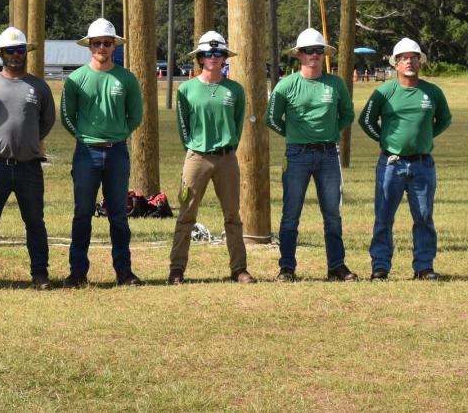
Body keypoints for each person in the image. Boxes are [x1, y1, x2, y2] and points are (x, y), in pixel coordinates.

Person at [0, 27, 56, 291]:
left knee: (35, 223)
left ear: (25, 52)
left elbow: (47, 120)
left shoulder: (39, 86)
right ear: (1, 54)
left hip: (30, 167)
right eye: (10, 51)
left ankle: (40, 274)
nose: (16, 55)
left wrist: (29, 141)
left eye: (19, 50)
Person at [266, 28, 358, 282]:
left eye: (318, 51)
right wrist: (295, 134)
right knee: (291, 213)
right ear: (299, 55)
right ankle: (286, 268)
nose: (314, 56)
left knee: (332, 215)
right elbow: (271, 119)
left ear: (324, 54)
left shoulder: (335, 83)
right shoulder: (286, 85)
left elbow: (348, 115)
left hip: (328, 155)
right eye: (309, 51)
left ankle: (336, 267)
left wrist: (329, 132)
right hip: (296, 156)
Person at [60, 18, 144, 288]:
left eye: (107, 43)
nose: (102, 47)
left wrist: (117, 135)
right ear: (89, 46)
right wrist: (84, 137)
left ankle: (124, 271)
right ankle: (77, 272)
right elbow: (66, 116)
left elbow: (136, 116)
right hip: (86, 153)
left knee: (118, 214)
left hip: (117, 152)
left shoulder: (126, 78)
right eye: (97, 43)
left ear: (114, 46)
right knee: (82, 213)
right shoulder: (76, 79)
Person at [360, 38, 452, 281]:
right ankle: (380, 266)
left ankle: (424, 267)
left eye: (414, 57)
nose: (409, 61)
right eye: (404, 58)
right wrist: (385, 140)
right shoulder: (383, 92)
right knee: (383, 217)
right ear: (396, 63)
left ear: (419, 62)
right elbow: (366, 121)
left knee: (423, 217)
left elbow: (444, 119)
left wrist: (426, 137)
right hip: (391, 164)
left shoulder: (432, 92)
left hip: (422, 164)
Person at [169, 31, 253, 285]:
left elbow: (237, 125)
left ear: (225, 57)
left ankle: (239, 269)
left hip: (227, 158)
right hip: (197, 157)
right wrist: (195, 148)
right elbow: (183, 125)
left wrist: (228, 148)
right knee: (186, 214)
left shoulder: (235, 90)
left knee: (232, 216)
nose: (213, 57)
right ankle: (176, 269)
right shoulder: (186, 89)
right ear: (200, 58)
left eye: (218, 53)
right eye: (208, 53)